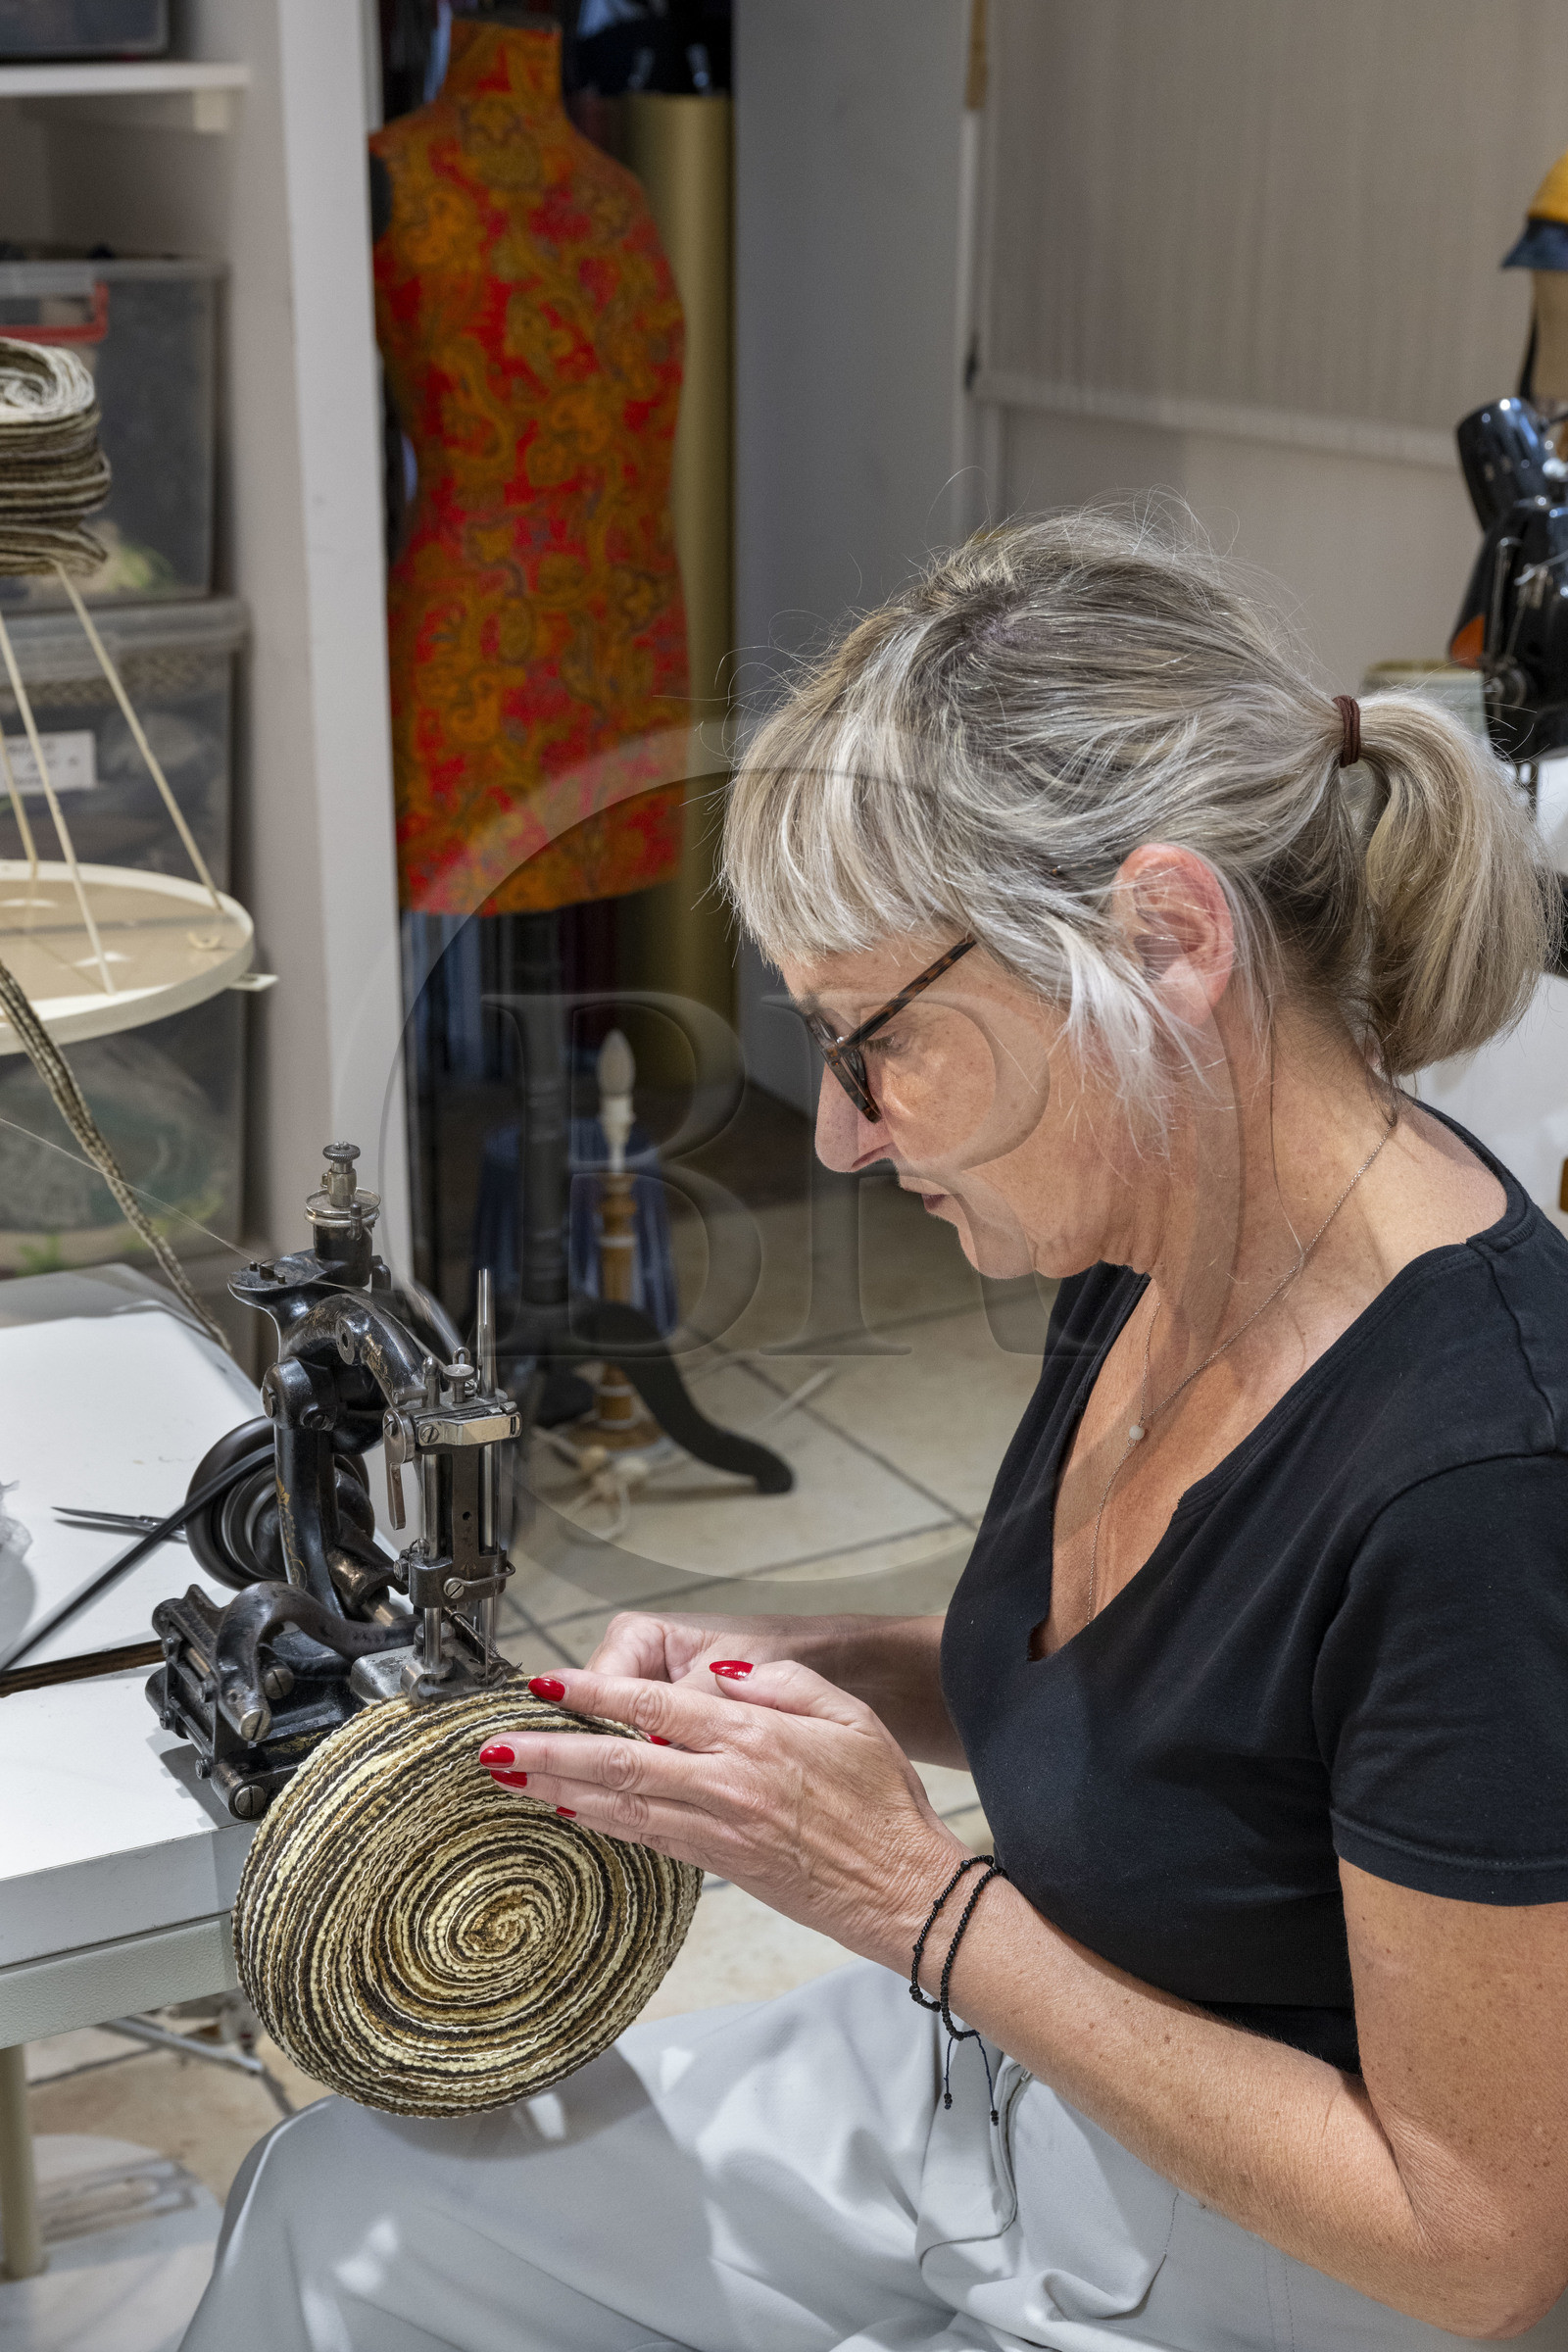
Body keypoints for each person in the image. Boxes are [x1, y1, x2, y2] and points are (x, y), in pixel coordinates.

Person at [181, 512, 1568, 2351]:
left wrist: (905, 1898)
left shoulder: (1482, 1486)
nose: (838, 1134)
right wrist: (809, 1673)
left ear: (1165, 941)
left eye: (872, 1040)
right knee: (336, 2213)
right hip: (1018, 2076)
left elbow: (1476, 2246)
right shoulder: (1162, 1227)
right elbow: (1199, 1722)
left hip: (1281, 2250)